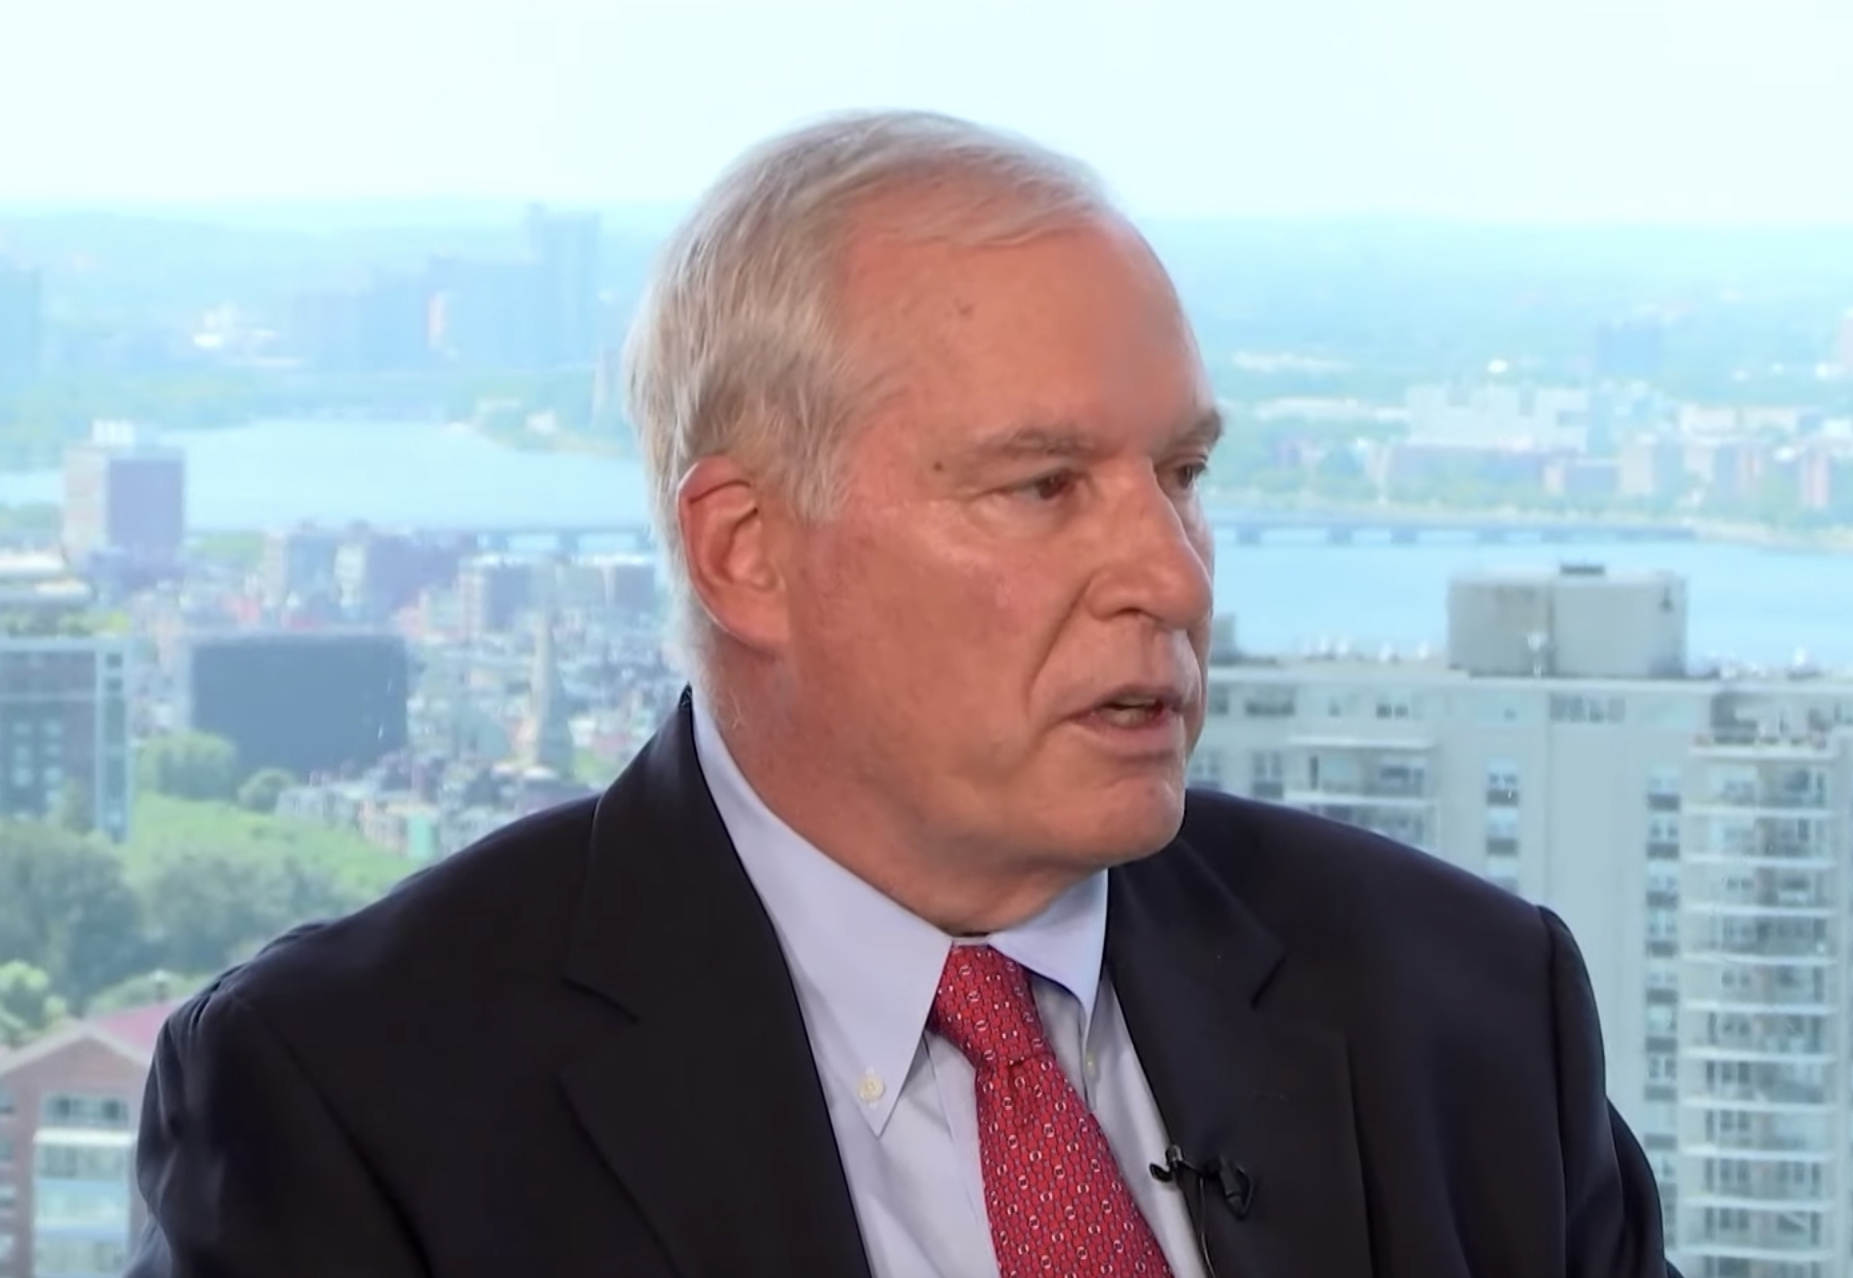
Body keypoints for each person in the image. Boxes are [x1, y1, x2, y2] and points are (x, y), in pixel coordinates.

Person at [127, 110, 1676, 1278]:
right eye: (1043, 485)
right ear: (746, 552)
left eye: (1182, 473)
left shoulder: (1468, 1010)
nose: (1171, 573)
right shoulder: (353, 1098)